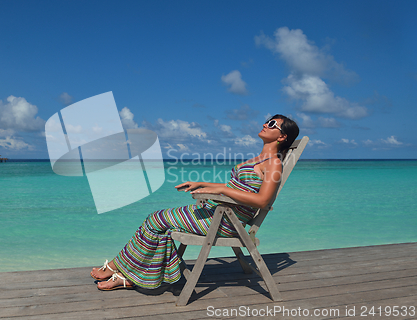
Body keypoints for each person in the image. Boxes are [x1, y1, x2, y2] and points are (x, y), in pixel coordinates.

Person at [90, 114, 299, 290]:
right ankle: (130, 275)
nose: (265, 124)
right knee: (157, 222)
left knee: (156, 220)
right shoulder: (258, 159)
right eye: (267, 120)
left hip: (226, 221)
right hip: (218, 212)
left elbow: (262, 201)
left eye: (272, 124)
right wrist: (202, 184)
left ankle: (119, 269)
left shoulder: (273, 164)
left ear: (282, 136)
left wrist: (220, 192)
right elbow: (233, 187)